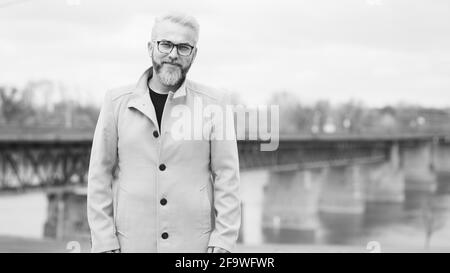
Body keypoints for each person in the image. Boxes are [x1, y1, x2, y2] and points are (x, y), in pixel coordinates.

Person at [87, 12, 241, 253]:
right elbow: (99, 175)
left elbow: (227, 177)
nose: (173, 54)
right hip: (130, 244)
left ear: (194, 54)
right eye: (166, 44)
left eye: (183, 47)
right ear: (150, 47)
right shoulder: (115, 102)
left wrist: (223, 240)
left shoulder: (215, 103)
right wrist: (104, 241)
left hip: (195, 248)